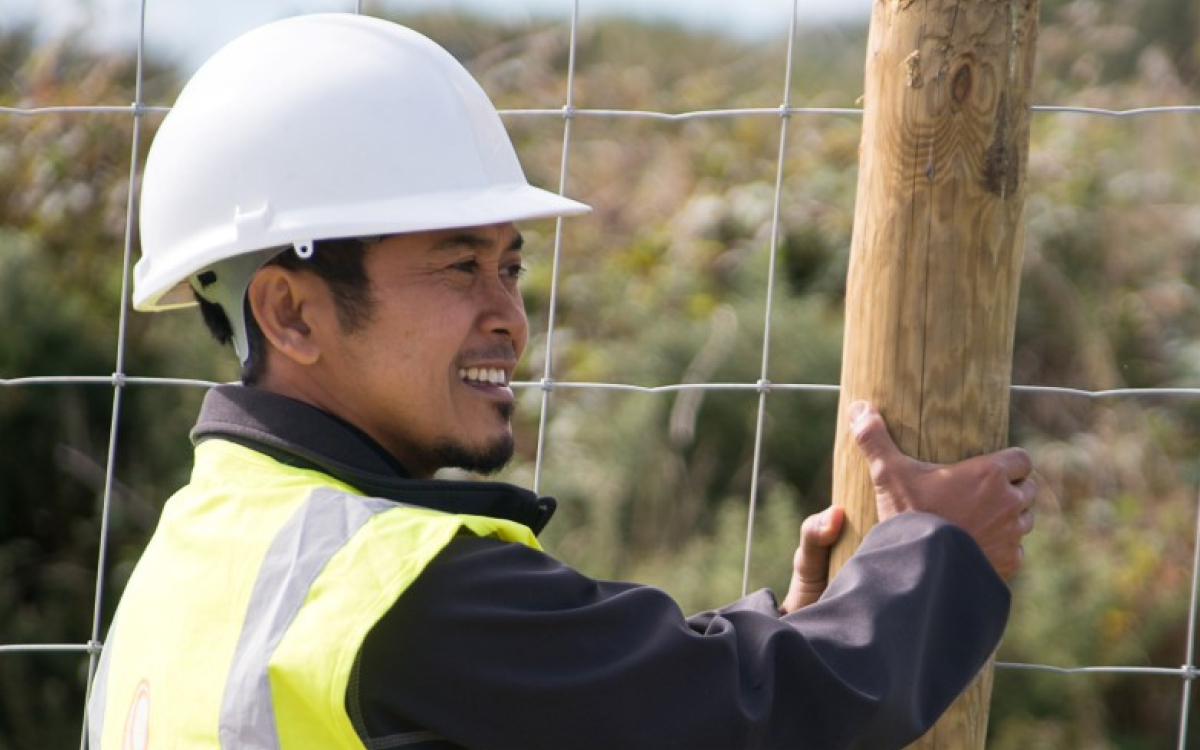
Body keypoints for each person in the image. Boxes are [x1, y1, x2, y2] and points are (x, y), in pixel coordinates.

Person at [86, 13, 1037, 750]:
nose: (508, 314)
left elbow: (590, 697)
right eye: (459, 267)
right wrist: (936, 555)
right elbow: (742, 720)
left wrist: (790, 624)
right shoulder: (399, 589)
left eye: (512, 266)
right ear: (291, 313)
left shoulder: (181, 565)